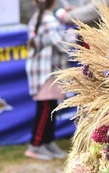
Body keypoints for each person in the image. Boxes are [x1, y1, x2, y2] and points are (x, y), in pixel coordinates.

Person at [25, 0, 72, 161]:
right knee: (46, 109)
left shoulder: (39, 17)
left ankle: (48, 142)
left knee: (50, 107)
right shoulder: (49, 19)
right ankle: (35, 146)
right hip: (46, 72)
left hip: (45, 71)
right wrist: (74, 35)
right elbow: (61, 44)